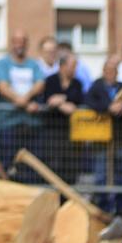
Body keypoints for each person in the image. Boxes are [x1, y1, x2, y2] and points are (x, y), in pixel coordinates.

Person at [86, 56, 122, 215]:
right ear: (103, 72)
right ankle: (103, 207)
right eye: (107, 71)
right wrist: (108, 107)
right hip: (101, 139)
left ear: (117, 73)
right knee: (101, 174)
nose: (110, 74)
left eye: (113, 71)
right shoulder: (96, 86)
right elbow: (89, 102)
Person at [0, 29, 46, 181]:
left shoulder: (34, 65)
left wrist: (23, 100)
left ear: (26, 44)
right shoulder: (2, 63)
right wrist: (25, 103)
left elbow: (40, 84)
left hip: (30, 124)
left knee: (31, 169)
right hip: (8, 123)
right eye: (16, 41)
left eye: (22, 41)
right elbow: (3, 87)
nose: (19, 45)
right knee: (6, 164)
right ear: (11, 43)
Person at [32, 53, 85, 185]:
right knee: (52, 164)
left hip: (71, 132)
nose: (75, 69)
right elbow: (48, 100)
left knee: (70, 166)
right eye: (72, 66)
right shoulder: (50, 80)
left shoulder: (77, 83)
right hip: (52, 131)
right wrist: (63, 104)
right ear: (62, 66)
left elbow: (78, 99)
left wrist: (60, 100)